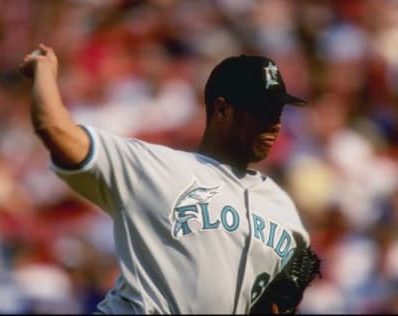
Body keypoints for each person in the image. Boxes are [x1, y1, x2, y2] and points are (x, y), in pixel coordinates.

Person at [19, 44, 318, 314]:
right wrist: (44, 73)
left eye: (278, 111)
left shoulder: (283, 209)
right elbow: (56, 130)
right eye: (262, 111)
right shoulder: (152, 166)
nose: (275, 124)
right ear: (223, 110)